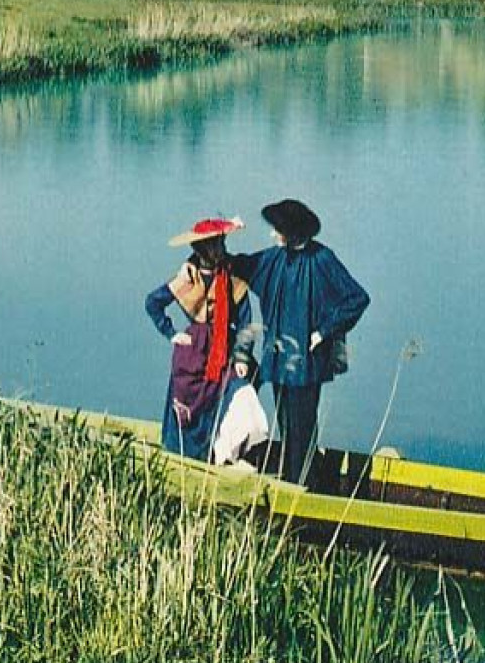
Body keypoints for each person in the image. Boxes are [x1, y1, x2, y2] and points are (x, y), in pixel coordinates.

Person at [232, 198, 370, 486]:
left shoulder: (322, 259)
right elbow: (241, 265)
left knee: (304, 427)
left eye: (277, 229)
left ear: (291, 231)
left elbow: (356, 298)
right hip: (280, 360)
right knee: (286, 425)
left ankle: (304, 484)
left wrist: (323, 331)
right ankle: (295, 479)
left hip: (307, 363)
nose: (272, 234)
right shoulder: (274, 257)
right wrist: (223, 236)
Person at [144, 217, 266, 464]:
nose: (220, 249)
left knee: (241, 392)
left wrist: (242, 355)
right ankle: (186, 454)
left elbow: (245, 321)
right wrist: (172, 333)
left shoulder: (232, 278)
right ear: (201, 249)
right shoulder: (187, 277)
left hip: (224, 349)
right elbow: (153, 303)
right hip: (194, 350)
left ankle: (224, 454)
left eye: (221, 243)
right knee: (190, 403)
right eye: (214, 245)